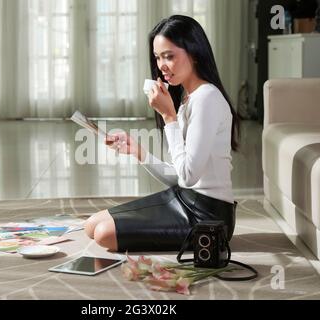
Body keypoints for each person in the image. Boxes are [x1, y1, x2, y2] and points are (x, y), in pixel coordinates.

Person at [84, 15, 240, 252]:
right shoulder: (188, 99)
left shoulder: (207, 98)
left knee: (103, 234)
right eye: (158, 57)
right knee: (92, 225)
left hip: (208, 217)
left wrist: (169, 118)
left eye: (169, 56)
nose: (161, 66)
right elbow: (182, 179)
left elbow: (188, 176)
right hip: (184, 198)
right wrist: (139, 152)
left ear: (194, 53)